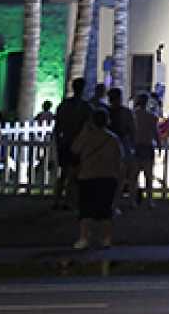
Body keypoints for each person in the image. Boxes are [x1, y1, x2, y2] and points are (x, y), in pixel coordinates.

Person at [71, 108, 123, 250]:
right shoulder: (113, 139)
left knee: (86, 209)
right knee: (105, 210)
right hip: (108, 176)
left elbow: (75, 149)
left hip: (88, 176)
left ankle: (84, 238)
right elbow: (119, 159)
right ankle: (106, 238)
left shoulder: (86, 137)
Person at [52, 78, 93, 210]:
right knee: (75, 174)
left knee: (64, 173)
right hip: (78, 143)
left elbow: (57, 126)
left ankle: (58, 200)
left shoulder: (64, 105)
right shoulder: (85, 107)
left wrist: (58, 140)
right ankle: (69, 201)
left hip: (65, 142)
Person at [106, 88, 137, 206]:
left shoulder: (108, 111)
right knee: (121, 176)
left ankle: (114, 202)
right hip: (120, 146)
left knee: (119, 176)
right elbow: (132, 130)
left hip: (115, 146)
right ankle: (116, 202)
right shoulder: (124, 112)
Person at [131, 92, 160, 206]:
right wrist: (159, 144)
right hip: (147, 146)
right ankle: (149, 200)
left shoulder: (134, 115)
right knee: (148, 175)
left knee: (134, 176)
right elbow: (155, 132)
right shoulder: (151, 116)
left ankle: (133, 200)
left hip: (137, 146)